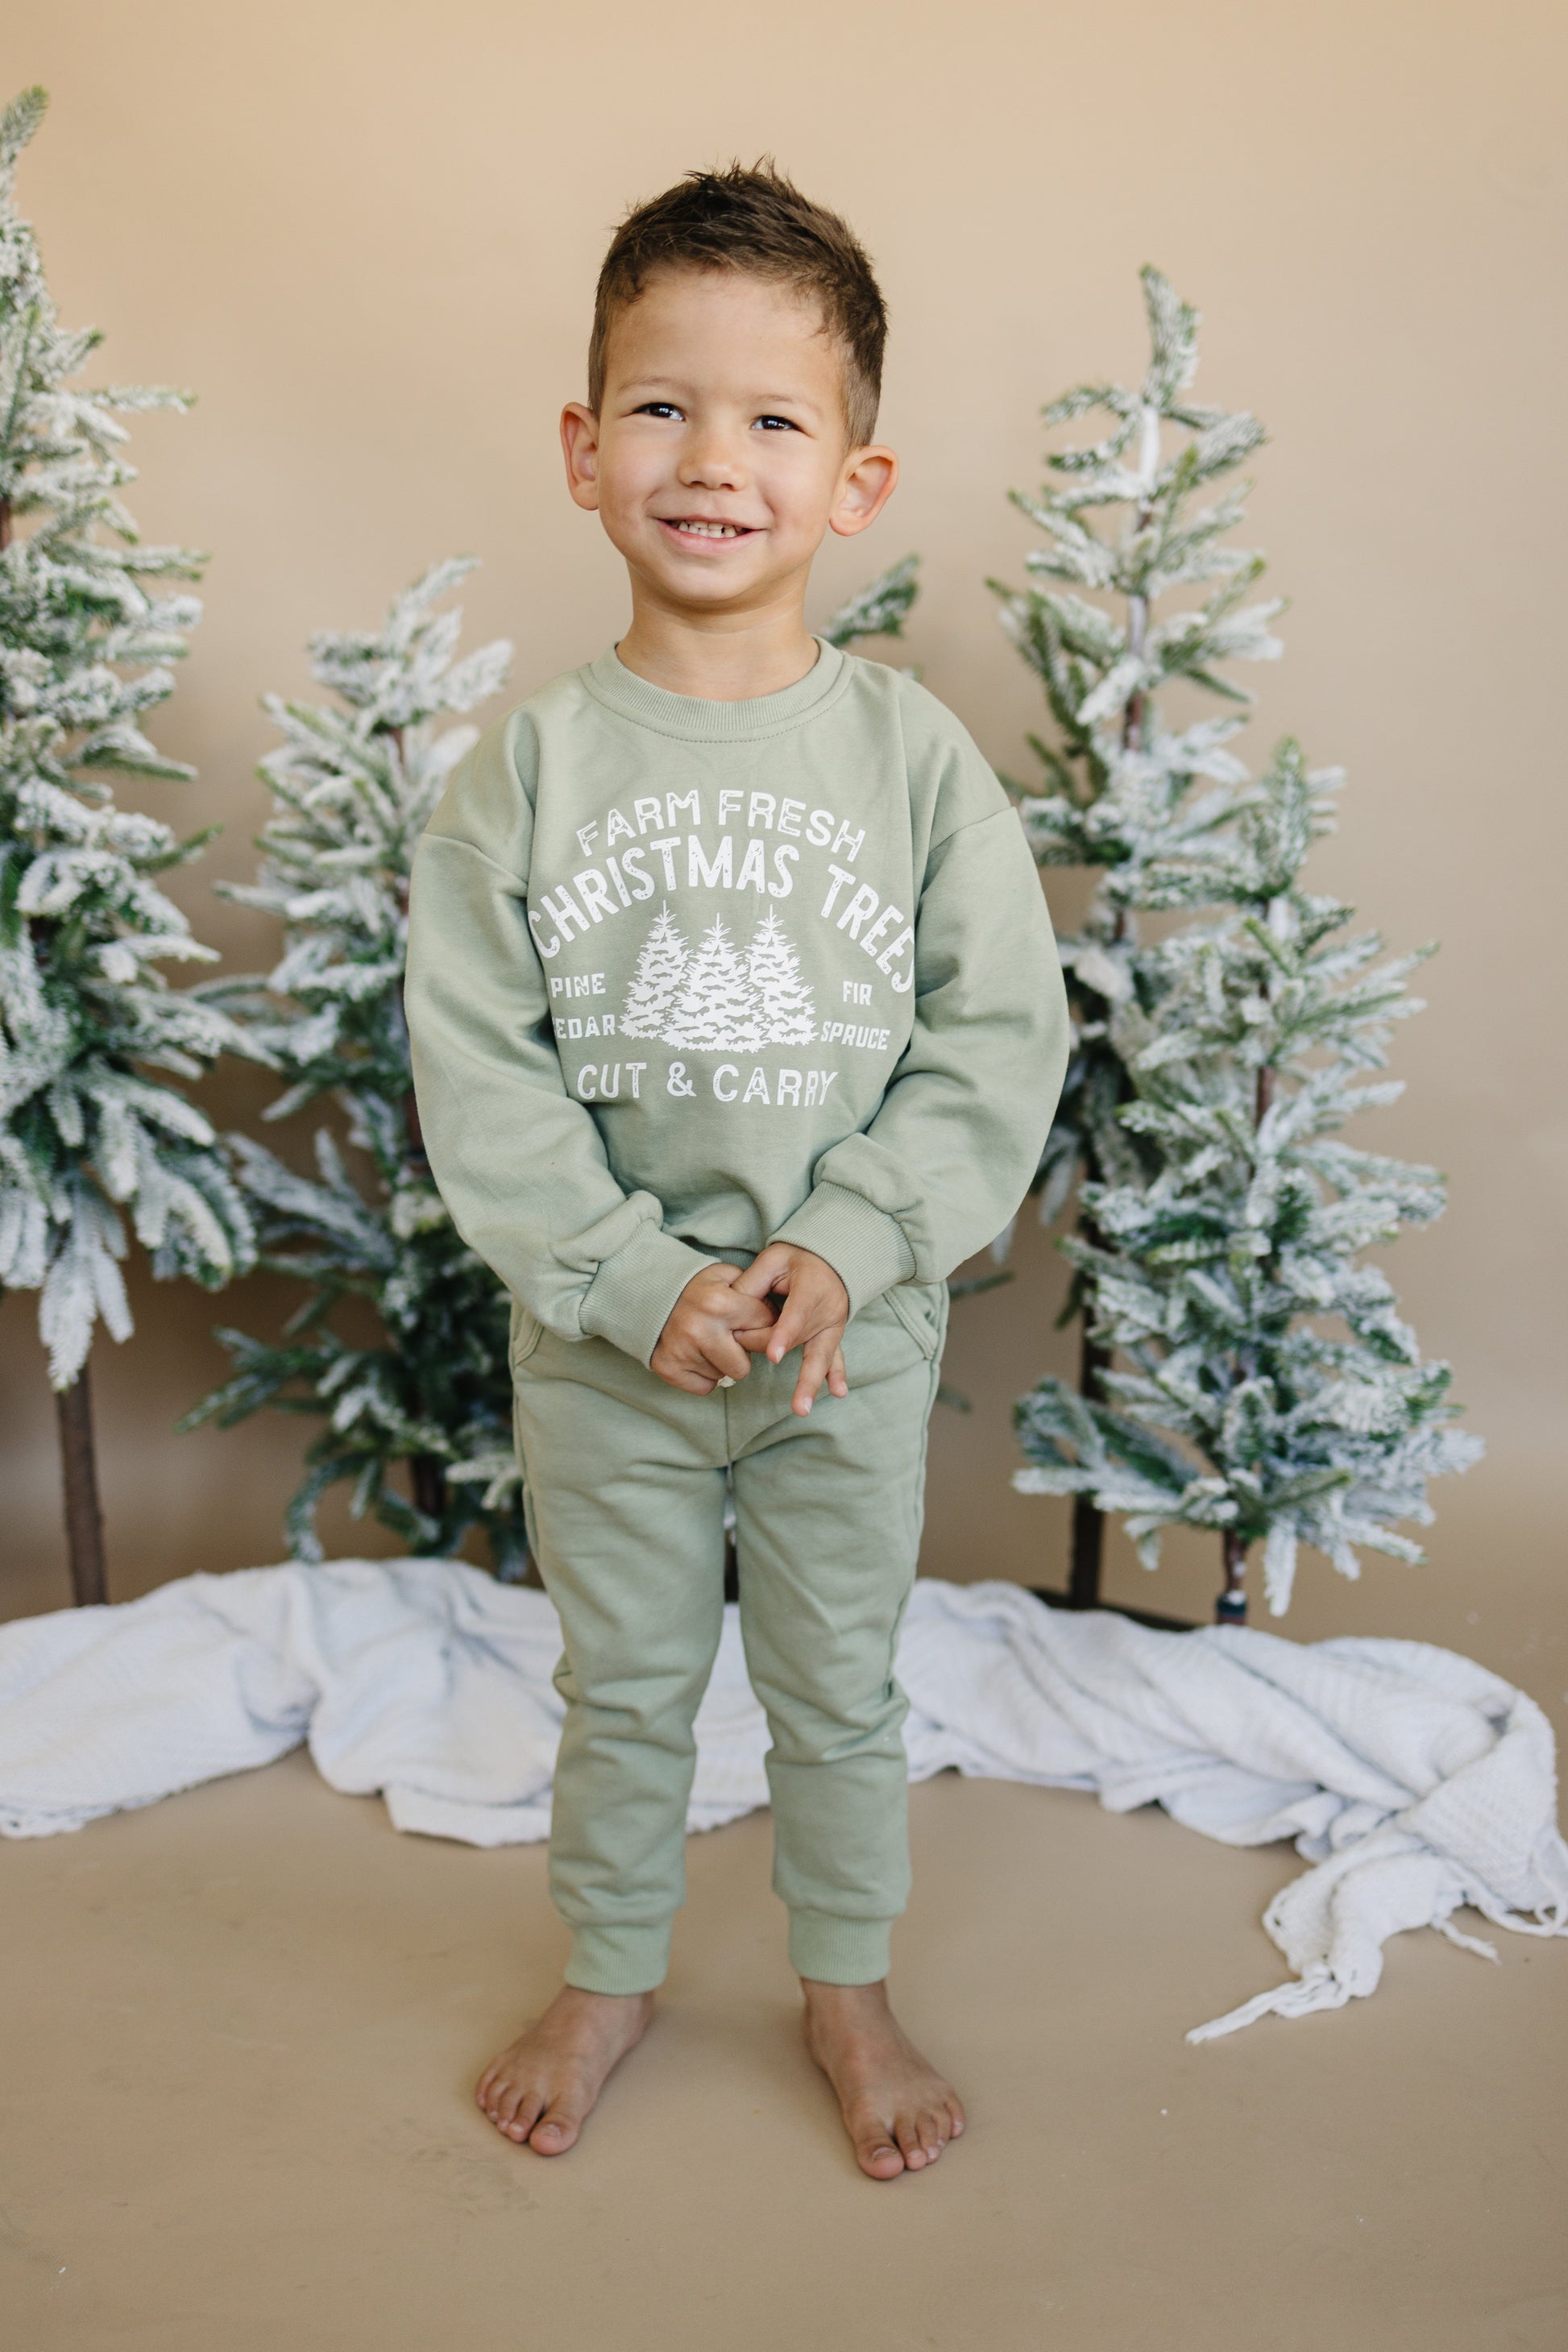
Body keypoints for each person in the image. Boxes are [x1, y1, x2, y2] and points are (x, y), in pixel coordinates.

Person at [404, 161, 1068, 2181]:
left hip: (830, 1350)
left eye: (774, 418)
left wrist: (850, 1239)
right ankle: (611, 1972)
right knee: (621, 1687)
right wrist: (624, 1275)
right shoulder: (523, 774)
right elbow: (482, 1073)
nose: (713, 459)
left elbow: (993, 1040)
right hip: (607, 1350)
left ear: (855, 481)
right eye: (664, 407)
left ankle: (845, 1986)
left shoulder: (913, 764)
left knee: (835, 1687)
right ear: (583, 449)